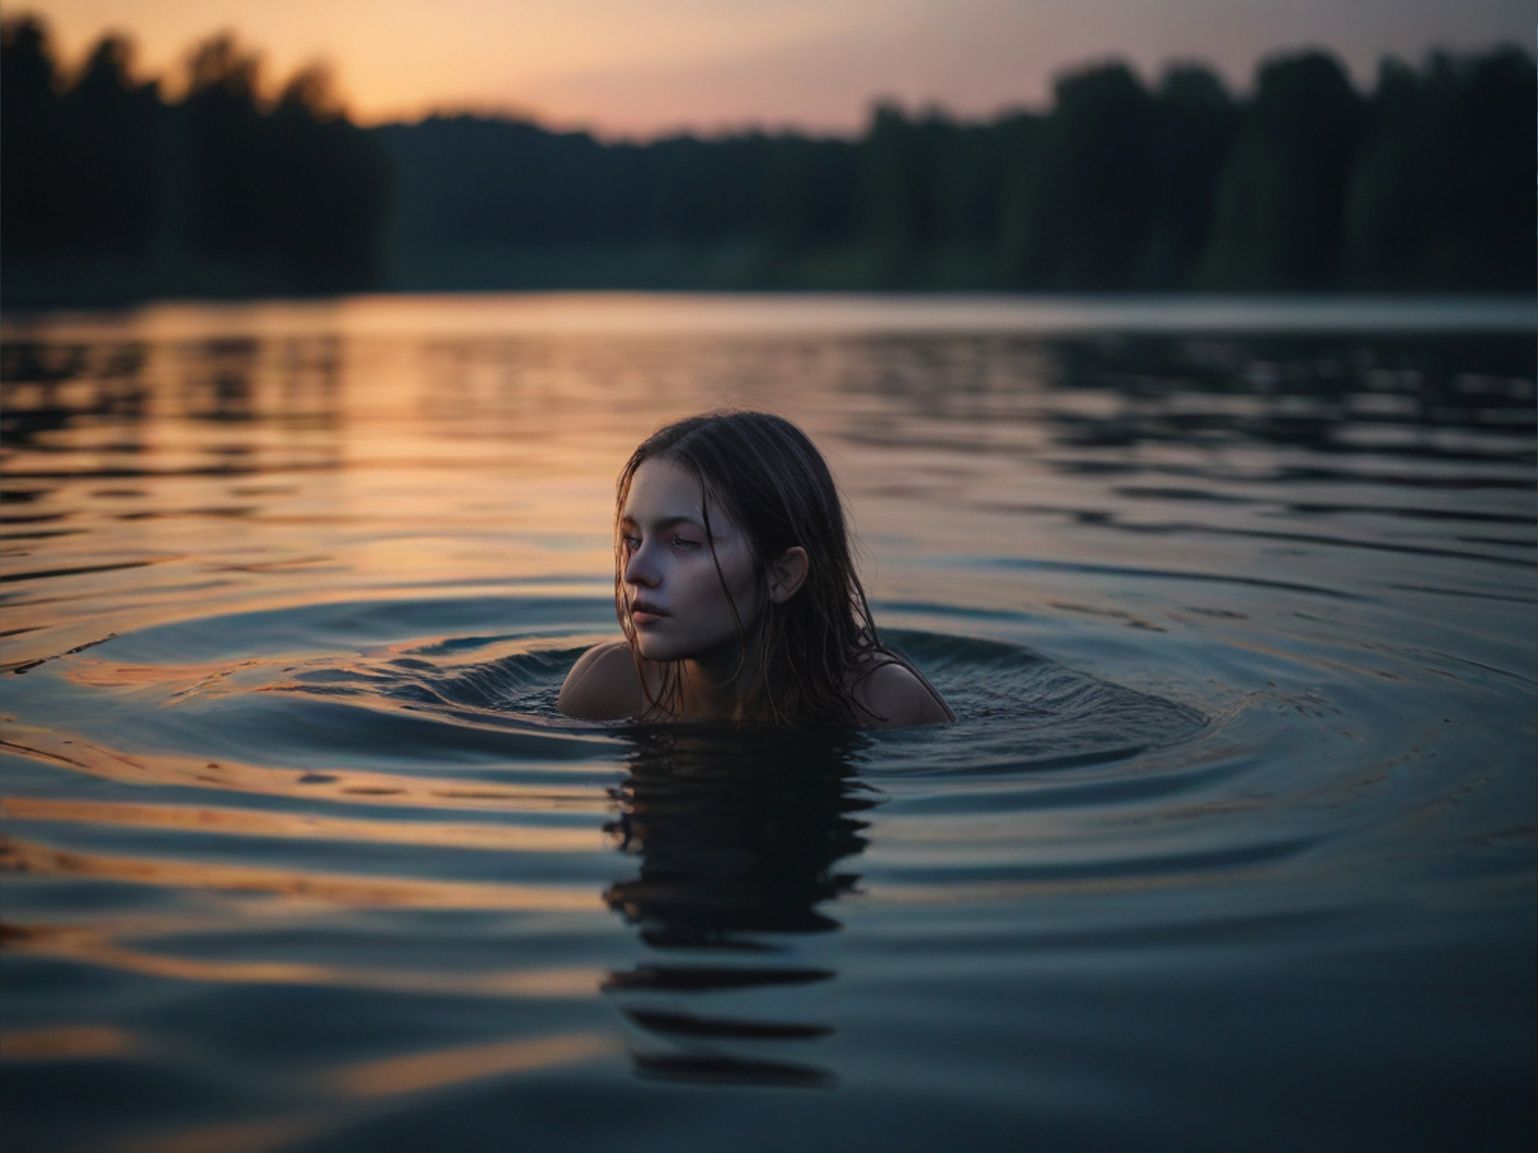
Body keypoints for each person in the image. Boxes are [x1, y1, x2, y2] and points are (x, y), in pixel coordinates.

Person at [559, 411, 953, 727]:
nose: (635, 571)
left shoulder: (884, 707)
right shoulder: (607, 688)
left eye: (682, 542)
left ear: (782, 574)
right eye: (632, 539)